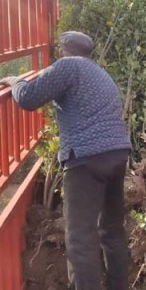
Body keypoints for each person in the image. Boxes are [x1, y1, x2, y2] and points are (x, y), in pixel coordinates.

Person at [0, 31, 132, 290]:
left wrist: (16, 81)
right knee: (112, 230)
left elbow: (28, 98)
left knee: (80, 240)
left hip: (86, 159)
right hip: (117, 154)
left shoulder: (68, 66)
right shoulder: (100, 74)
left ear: (63, 51)